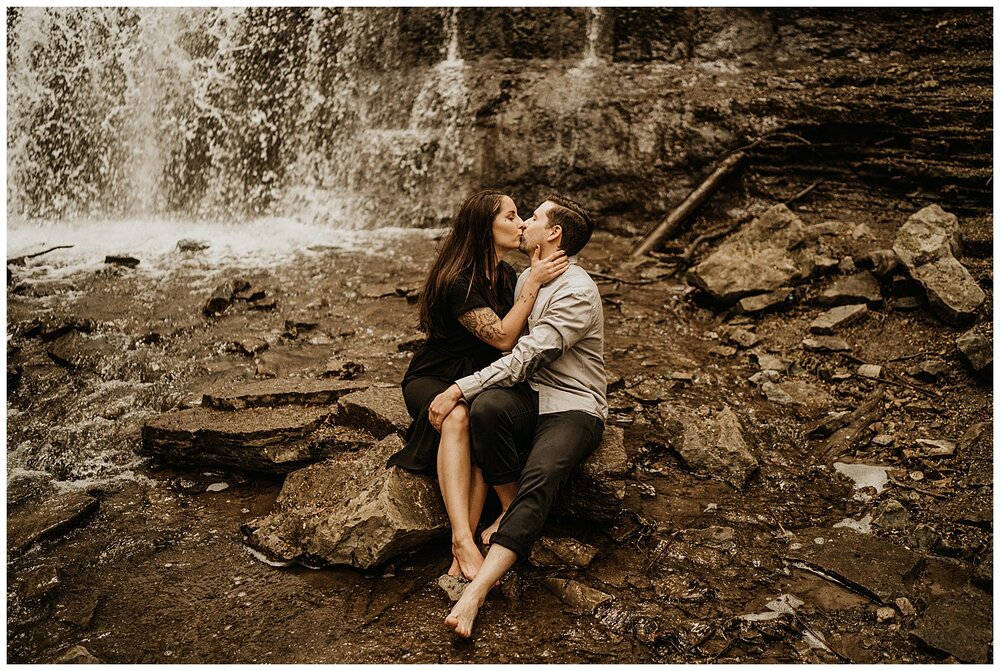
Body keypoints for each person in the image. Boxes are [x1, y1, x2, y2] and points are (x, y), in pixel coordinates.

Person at [427, 194, 607, 639]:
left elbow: (523, 356)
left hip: (573, 404)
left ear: (554, 234)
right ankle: (509, 510)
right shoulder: (526, 276)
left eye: (533, 217)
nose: (523, 222)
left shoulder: (576, 291)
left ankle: (477, 591)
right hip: (532, 396)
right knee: (486, 410)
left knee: (542, 474)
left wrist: (456, 388)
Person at [386, 189, 569, 582]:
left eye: (522, 216)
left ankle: (461, 549)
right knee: (458, 415)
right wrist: (535, 280)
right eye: (511, 217)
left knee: (480, 416)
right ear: (483, 228)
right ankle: (462, 541)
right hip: (434, 376)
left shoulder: (504, 275)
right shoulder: (457, 280)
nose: (521, 224)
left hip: (477, 377)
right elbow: (503, 337)